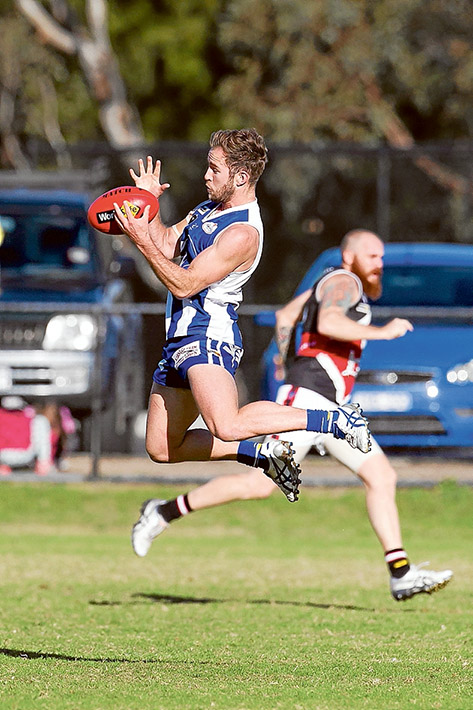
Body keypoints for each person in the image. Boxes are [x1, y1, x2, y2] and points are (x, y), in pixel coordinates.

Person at [128, 229, 453, 602]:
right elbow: (329, 322)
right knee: (258, 484)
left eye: (382, 257)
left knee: (381, 476)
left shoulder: (328, 281)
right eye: (373, 256)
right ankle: (162, 512)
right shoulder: (344, 281)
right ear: (349, 258)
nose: (381, 265)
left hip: (329, 402)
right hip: (310, 400)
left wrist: (284, 360)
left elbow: (285, 316)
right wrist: (382, 331)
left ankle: (401, 573)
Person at [113, 128, 370, 502]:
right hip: (180, 339)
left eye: (214, 169)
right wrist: (148, 207)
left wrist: (139, 240)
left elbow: (184, 285)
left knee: (226, 424)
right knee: (162, 448)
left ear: (241, 177)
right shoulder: (207, 209)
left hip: (208, 337)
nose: (206, 175)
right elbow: (167, 244)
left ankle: (335, 420)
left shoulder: (242, 233)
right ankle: (262, 455)